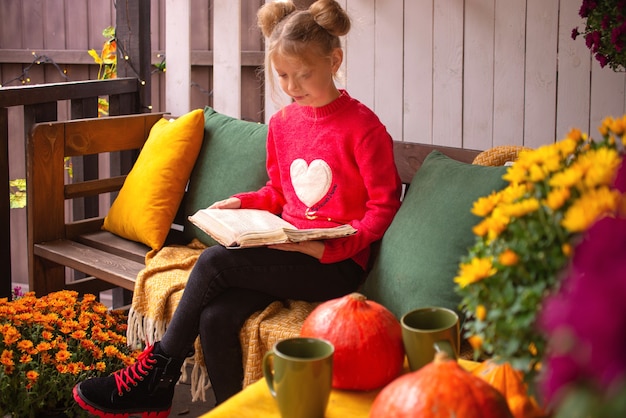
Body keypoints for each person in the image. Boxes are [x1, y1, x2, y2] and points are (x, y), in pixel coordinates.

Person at [72, 0, 402, 416]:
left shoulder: (364, 128)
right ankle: (230, 410)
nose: (293, 86)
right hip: (287, 251)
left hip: (336, 265)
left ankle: (156, 373)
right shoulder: (283, 124)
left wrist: (329, 249)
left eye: (304, 74)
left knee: (212, 264)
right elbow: (279, 192)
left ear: (334, 61)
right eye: (283, 75)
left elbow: (384, 206)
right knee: (215, 319)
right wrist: (241, 203)